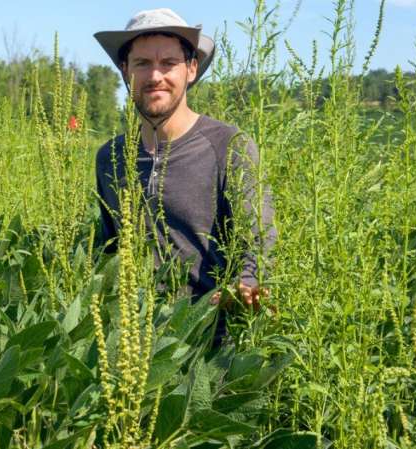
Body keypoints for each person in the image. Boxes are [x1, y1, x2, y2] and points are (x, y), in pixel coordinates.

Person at [93, 8, 277, 342]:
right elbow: (107, 251)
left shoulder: (228, 146)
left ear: (191, 69)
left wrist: (247, 283)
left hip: (208, 346)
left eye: (169, 63)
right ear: (125, 71)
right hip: (132, 344)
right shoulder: (110, 158)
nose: (155, 76)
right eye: (142, 63)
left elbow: (259, 239)